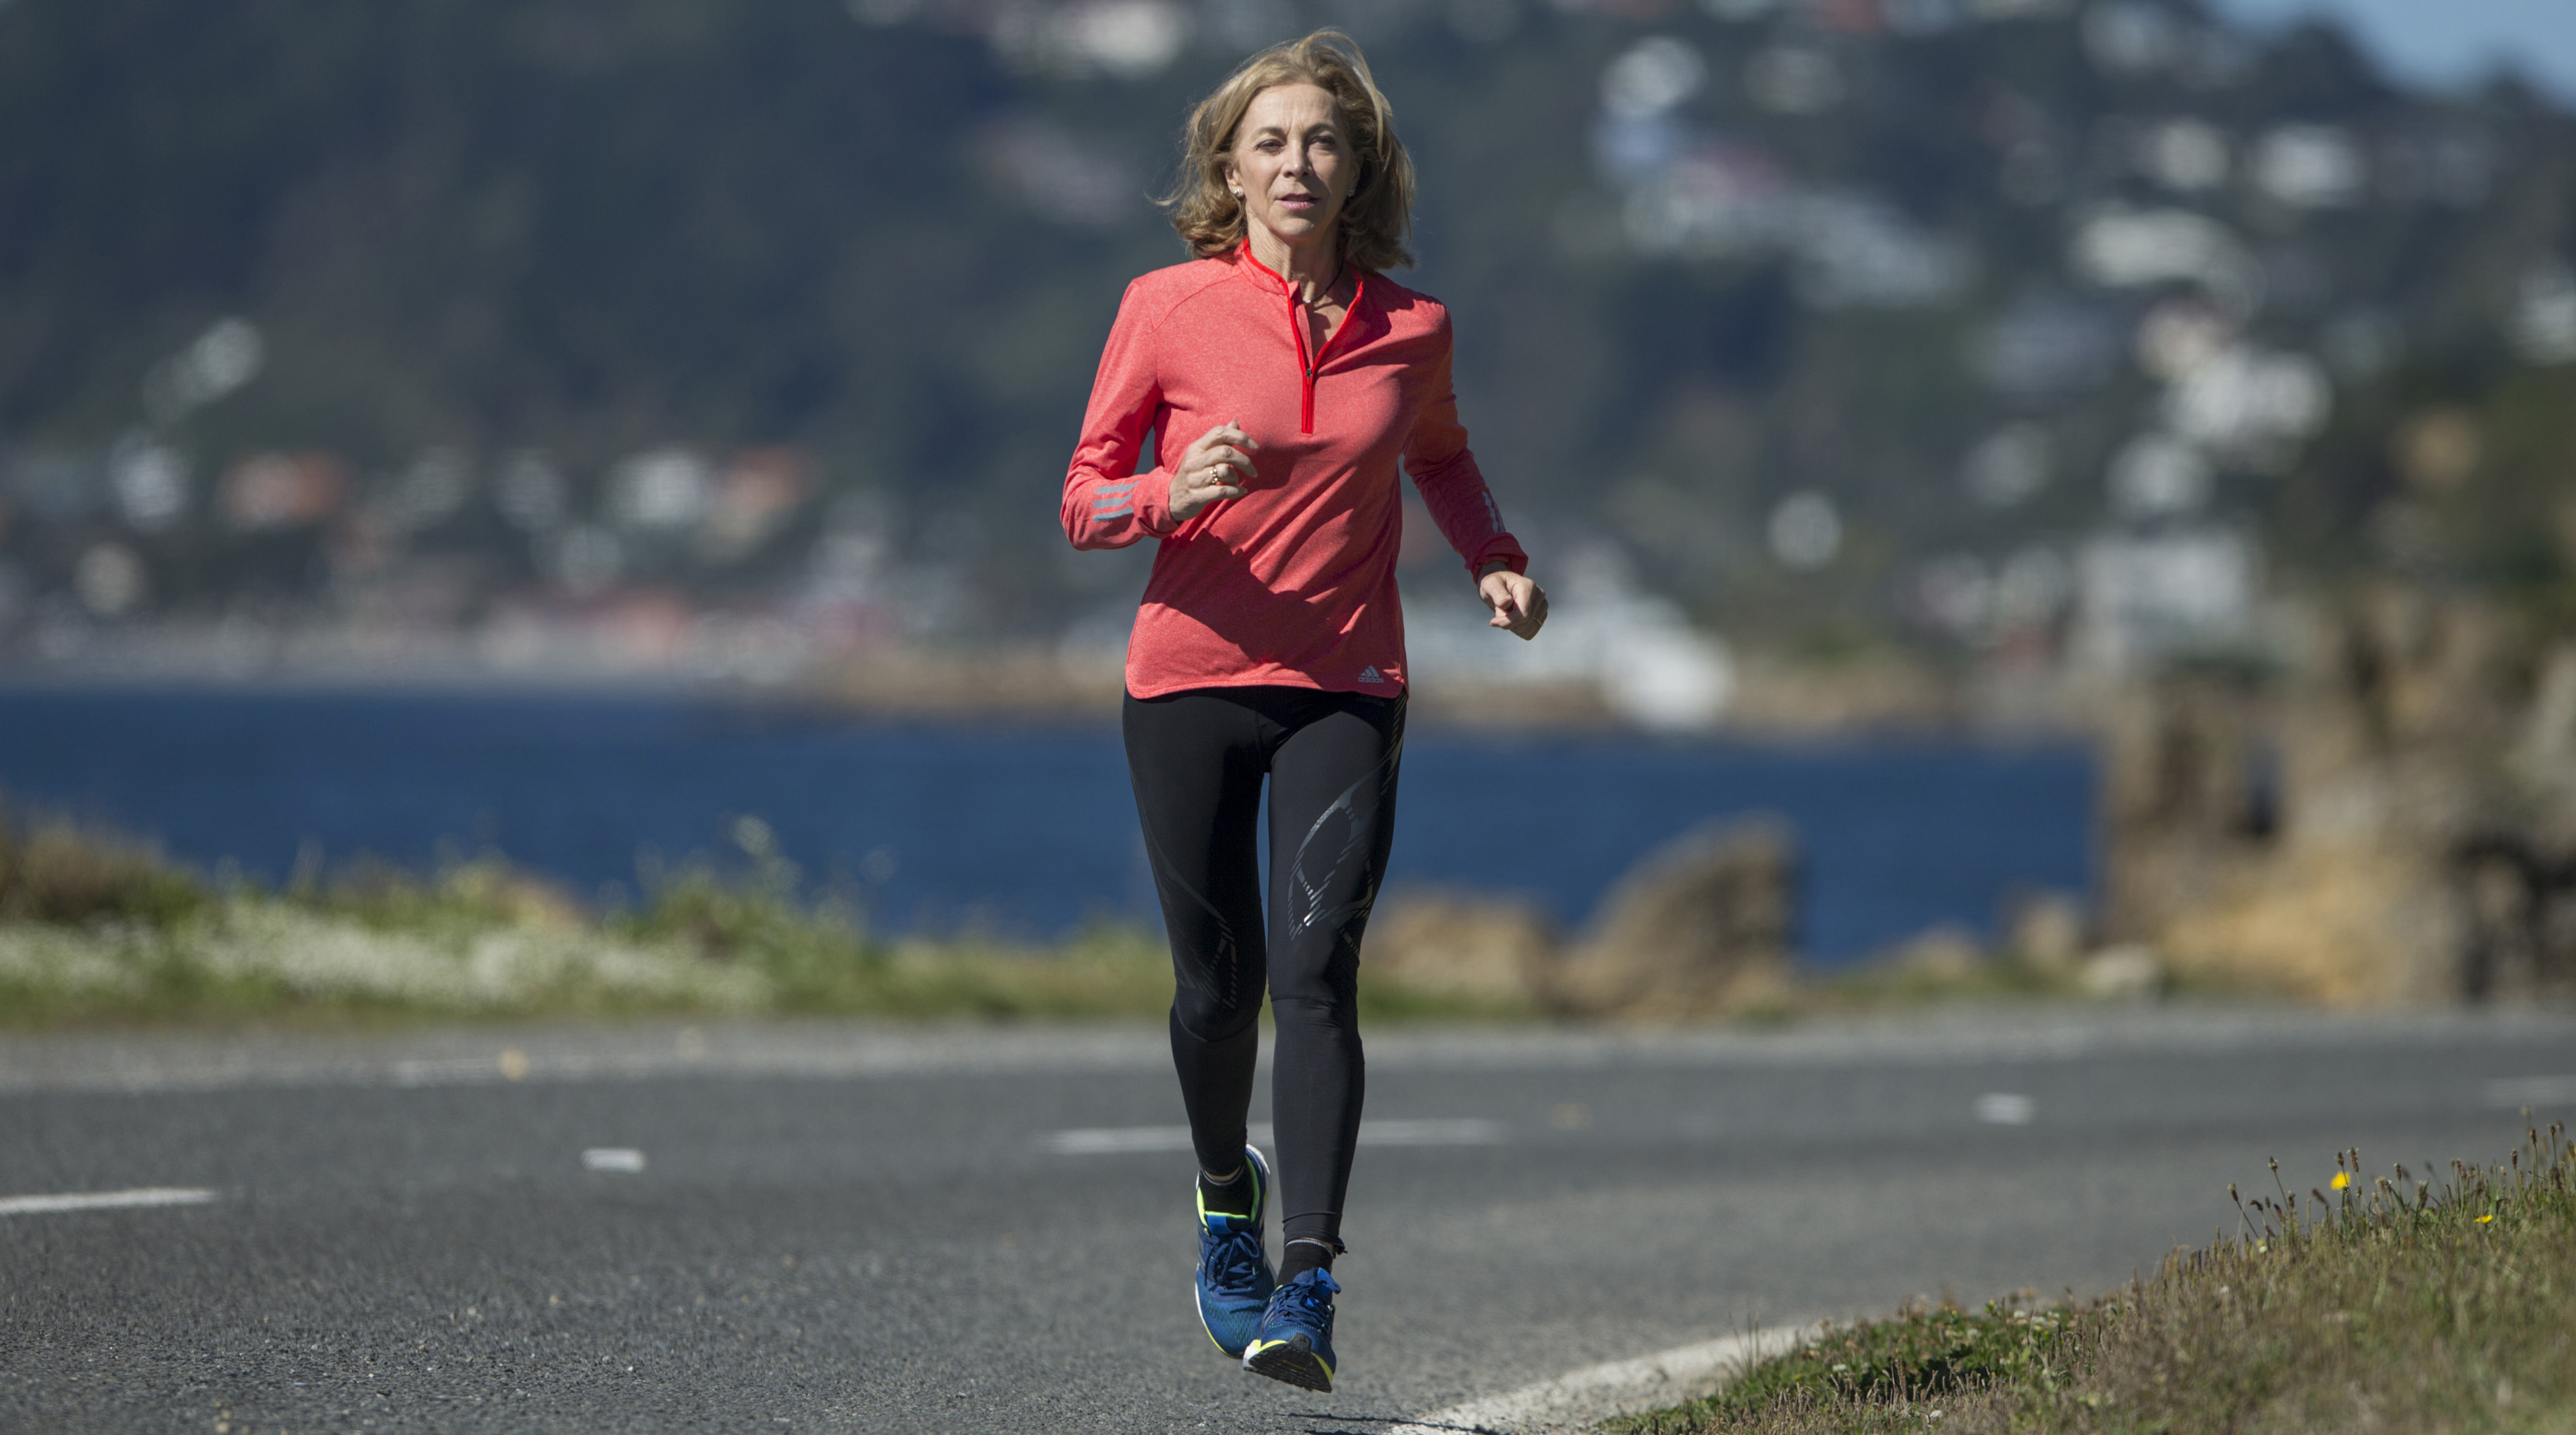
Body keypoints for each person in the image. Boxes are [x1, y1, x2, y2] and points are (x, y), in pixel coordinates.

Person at [1058, 28, 1546, 1394]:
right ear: (1228, 166)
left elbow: (1441, 458)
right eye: (1269, 141)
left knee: (1317, 971)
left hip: (1346, 682)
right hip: (1189, 678)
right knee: (1218, 992)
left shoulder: (1416, 328)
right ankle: (1229, 1200)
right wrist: (1170, 492)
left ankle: (1311, 1278)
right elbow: (1084, 497)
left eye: (1323, 140)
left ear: (1359, 168)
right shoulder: (1165, 307)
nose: (1297, 161)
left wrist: (1494, 559)